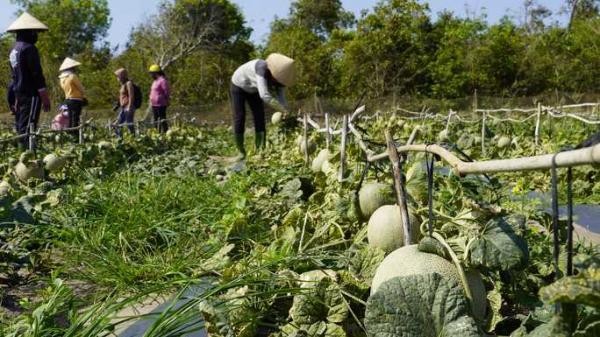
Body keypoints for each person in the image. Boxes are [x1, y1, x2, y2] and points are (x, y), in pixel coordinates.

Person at [230, 53, 295, 159]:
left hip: (254, 88)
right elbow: (264, 95)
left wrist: (286, 109)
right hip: (239, 85)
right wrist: (282, 109)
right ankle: (240, 151)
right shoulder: (262, 69)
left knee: (259, 116)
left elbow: (281, 98)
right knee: (240, 116)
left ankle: (260, 148)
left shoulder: (280, 80)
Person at [6, 12, 51, 148]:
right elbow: (36, 74)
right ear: (27, 32)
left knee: (21, 125)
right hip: (31, 94)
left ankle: (21, 152)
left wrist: (13, 98)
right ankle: (28, 157)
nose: (35, 35)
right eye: (33, 32)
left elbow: (15, 77)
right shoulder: (29, 48)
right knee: (29, 127)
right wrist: (44, 96)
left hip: (20, 93)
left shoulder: (14, 50)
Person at [58, 57, 86, 136]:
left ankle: (70, 134)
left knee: (71, 118)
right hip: (76, 99)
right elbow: (81, 88)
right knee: (76, 118)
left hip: (68, 99)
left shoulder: (62, 78)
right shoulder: (72, 76)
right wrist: (84, 95)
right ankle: (75, 135)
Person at [148, 64, 170, 133]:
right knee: (156, 120)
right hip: (154, 104)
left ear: (155, 73)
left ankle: (165, 133)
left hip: (161, 104)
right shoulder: (155, 81)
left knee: (162, 119)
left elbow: (166, 92)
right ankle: (157, 133)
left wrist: (167, 100)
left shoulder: (162, 80)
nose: (151, 75)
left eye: (151, 73)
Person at [114, 68, 136, 136]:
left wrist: (130, 106)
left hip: (128, 107)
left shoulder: (128, 83)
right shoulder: (122, 84)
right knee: (118, 124)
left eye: (118, 76)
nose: (117, 78)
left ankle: (133, 138)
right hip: (123, 107)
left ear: (122, 76)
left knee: (129, 124)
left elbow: (131, 95)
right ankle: (120, 139)